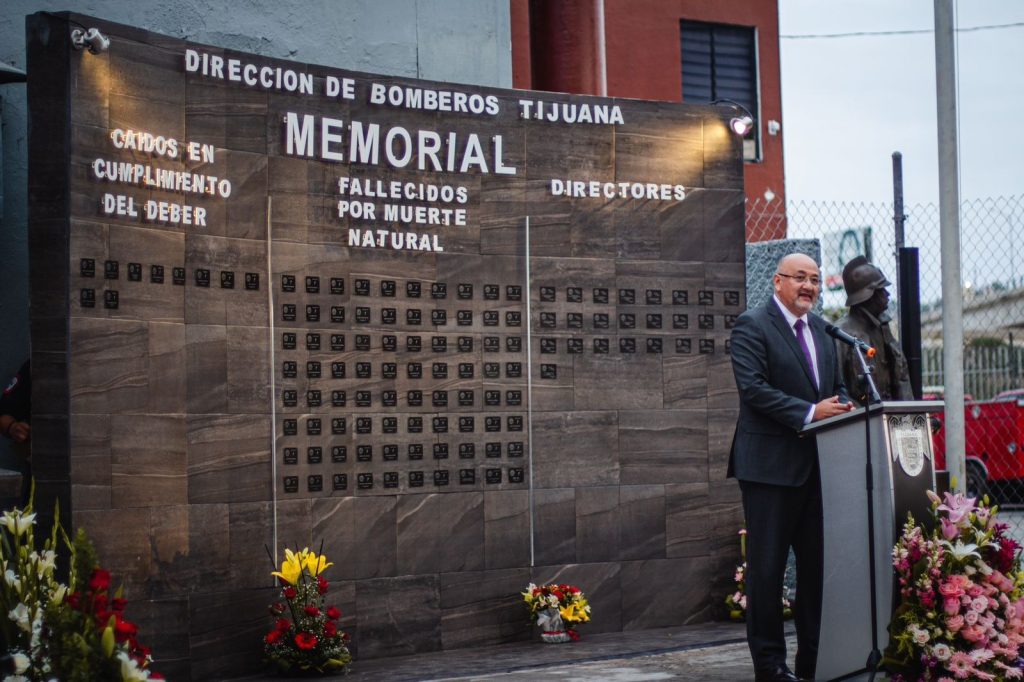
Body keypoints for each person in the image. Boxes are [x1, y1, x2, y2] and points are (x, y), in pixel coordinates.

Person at [728, 253, 853, 682]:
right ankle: (771, 668)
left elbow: (833, 388)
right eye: (800, 278)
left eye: (816, 280)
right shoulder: (752, 325)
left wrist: (841, 405)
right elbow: (754, 389)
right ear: (778, 281)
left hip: (818, 469)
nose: (809, 287)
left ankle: (813, 663)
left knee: (817, 573)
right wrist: (811, 412)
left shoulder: (823, 330)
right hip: (768, 470)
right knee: (766, 572)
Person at [835, 256, 913, 405]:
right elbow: (836, 389)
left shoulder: (883, 328)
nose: (887, 295)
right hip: (860, 421)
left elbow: (901, 377)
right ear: (868, 295)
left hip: (890, 417)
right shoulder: (842, 333)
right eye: (881, 290)